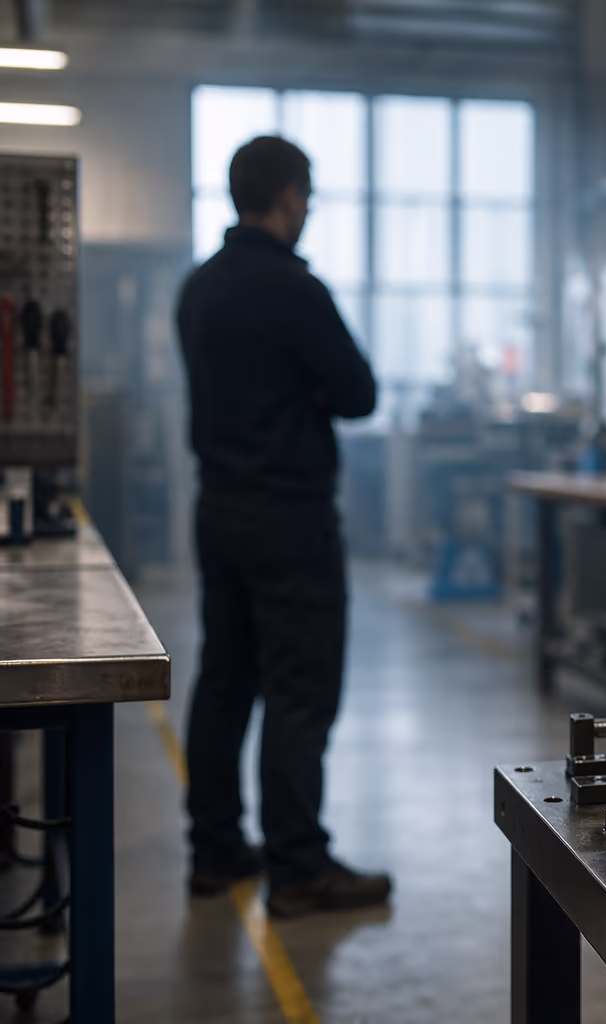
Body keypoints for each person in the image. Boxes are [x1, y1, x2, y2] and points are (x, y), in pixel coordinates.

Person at [177, 136, 390, 918]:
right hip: (290, 520)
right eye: (308, 198)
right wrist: (309, 391)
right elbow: (358, 393)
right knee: (299, 688)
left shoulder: (199, 288)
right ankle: (298, 868)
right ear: (291, 196)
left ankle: (214, 851)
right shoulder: (293, 290)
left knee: (226, 680)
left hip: (219, 510)